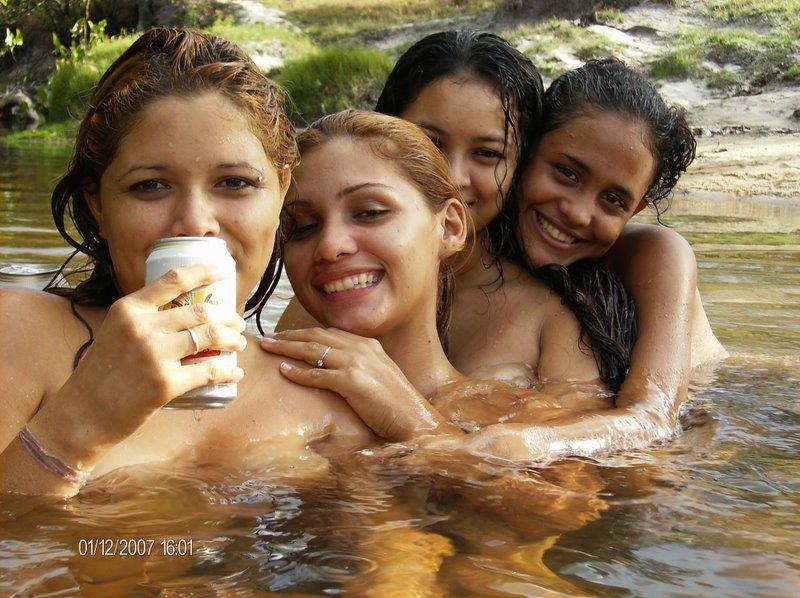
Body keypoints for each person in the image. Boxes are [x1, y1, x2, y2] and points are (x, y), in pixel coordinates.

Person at [0, 28, 373, 498]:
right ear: (98, 205)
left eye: (235, 183)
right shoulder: (20, 335)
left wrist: (417, 424)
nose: (195, 223)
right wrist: (78, 424)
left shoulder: (326, 396)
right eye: (150, 185)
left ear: (281, 191)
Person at [278, 30, 635, 392]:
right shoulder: (332, 289)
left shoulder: (555, 318)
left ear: (521, 166)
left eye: (487, 154)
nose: (451, 174)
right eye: (429, 143)